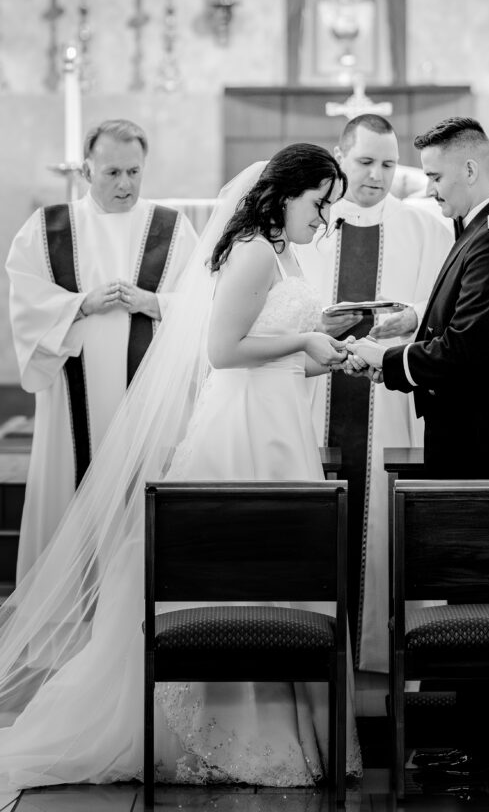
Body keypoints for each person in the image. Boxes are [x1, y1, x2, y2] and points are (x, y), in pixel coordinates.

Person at [0, 144, 362, 790]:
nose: (325, 218)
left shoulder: (285, 253)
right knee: (236, 572)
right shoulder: (252, 248)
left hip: (279, 425)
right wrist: (301, 339)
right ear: (284, 194)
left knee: (279, 574)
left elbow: (274, 355)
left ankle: (278, 723)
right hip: (240, 430)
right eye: (319, 203)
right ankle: (222, 731)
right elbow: (223, 351)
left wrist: (322, 347)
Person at [5, 118, 198, 580]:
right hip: (73, 398)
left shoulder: (172, 228)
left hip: (146, 399)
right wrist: (80, 305)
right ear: (87, 171)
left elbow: (202, 305)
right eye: (112, 172)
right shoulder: (48, 227)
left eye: (134, 172)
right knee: (72, 485)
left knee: (139, 494)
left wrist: (155, 303)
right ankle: (65, 609)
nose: (125, 183)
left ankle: (132, 611)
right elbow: (25, 301)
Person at [295, 114, 453, 672]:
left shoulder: (427, 228)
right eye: (364, 162)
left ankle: (389, 660)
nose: (377, 175)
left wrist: (408, 318)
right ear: (339, 157)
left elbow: (445, 315)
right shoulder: (307, 223)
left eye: (388, 163)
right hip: (315, 399)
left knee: (387, 524)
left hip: (391, 399)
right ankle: (316, 661)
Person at [346, 115, 489, 479]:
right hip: (467, 433)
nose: (430, 189)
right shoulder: (481, 230)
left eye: (436, 177)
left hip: (484, 443)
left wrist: (386, 359)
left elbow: (464, 349)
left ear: (469, 170)